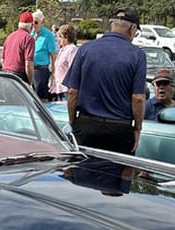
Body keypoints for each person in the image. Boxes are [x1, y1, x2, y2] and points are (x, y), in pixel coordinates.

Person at [63, 7, 146, 154]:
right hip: (119, 128)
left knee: (82, 171)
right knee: (117, 173)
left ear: (112, 24)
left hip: (86, 125)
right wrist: (138, 128)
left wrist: (72, 122)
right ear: (132, 29)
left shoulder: (85, 49)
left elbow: (72, 91)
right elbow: (138, 98)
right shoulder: (137, 55)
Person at [1, 11, 35, 85]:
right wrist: (31, 82)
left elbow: (3, 59)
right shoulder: (28, 38)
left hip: (6, 74)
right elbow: (28, 63)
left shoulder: (10, 36)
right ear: (31, 26)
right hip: (19, 75)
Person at [30, 10, 57, 102]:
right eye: (32, 22)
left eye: (36, 22)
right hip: (30, 68)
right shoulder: (31, 34)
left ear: (41, 22)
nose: (33, 24)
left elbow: (53, 56)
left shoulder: (48, 35)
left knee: (41, 97)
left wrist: (54, 73)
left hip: (41, 69)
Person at [49, 24, 77, 102]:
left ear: (66, 37)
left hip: (66, 90)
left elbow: (73, 69)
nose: (58, 39)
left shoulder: (72, 50)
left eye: (60, 36)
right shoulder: (62, 50)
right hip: (59, 88)